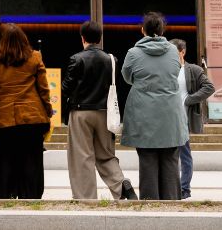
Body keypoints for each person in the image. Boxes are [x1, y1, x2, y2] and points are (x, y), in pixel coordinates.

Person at [62, 20, 137, 200]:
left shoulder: (76, 59)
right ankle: (121, 185)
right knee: (106, 154)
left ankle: (86, 198)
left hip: (80, 112)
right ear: (99, 38)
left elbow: (66, 88)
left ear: (83, 38)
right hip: (105, 113)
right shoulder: (111, 59)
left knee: (82, 157)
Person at [121, 12, 188, 200]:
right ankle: (171, 205)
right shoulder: (174, 52)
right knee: (170, 160)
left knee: (147, 159)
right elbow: (175, 72)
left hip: (143, 114)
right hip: (170, 114)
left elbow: (127, 77)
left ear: (143, 30)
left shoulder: (133, 53)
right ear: (162, 30)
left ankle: (150, 205)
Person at [0, 23, 52, 199]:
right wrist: (47, 112)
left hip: (4, 118)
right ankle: (31, 197)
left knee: (5, 162)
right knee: (32, 162)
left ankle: (5, 196)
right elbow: (44, 89)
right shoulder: (35, 57)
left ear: (3, 41)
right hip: (32, 117)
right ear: (24, 39)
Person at [169, 39, 214, 199]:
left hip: (184, 118)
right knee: (170, 155)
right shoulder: (166, 69)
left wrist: (189, 99)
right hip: (167, 118)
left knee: (184, 153)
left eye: (173, 52)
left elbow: (209, 87)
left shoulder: (193, 69)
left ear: (182, 52)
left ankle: (184, 189)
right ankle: (173, 189)